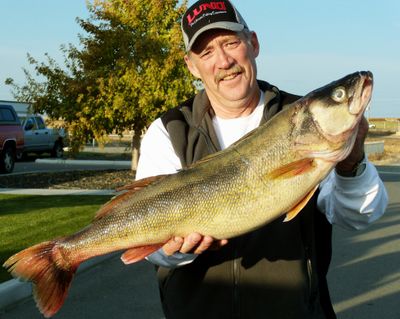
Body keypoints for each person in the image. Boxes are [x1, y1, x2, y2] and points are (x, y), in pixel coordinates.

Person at [135, 1, 388, 318]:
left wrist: (351, 163)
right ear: (191, 65)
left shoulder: (302, 119)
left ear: (253, 43)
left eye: (231, 42)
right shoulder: (169, 130)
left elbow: (359, 216)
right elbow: (154, 250)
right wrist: (175, 252)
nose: (224, 61)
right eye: (207, 52)